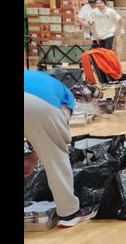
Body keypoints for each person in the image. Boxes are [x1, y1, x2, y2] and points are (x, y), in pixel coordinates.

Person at [24, 70, 98, 226]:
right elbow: (55, 135)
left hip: (33, 102)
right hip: (37, 103)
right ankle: (69, 213)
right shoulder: (66, 95)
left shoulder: (32, 76)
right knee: (56, 156)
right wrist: (33, 158)